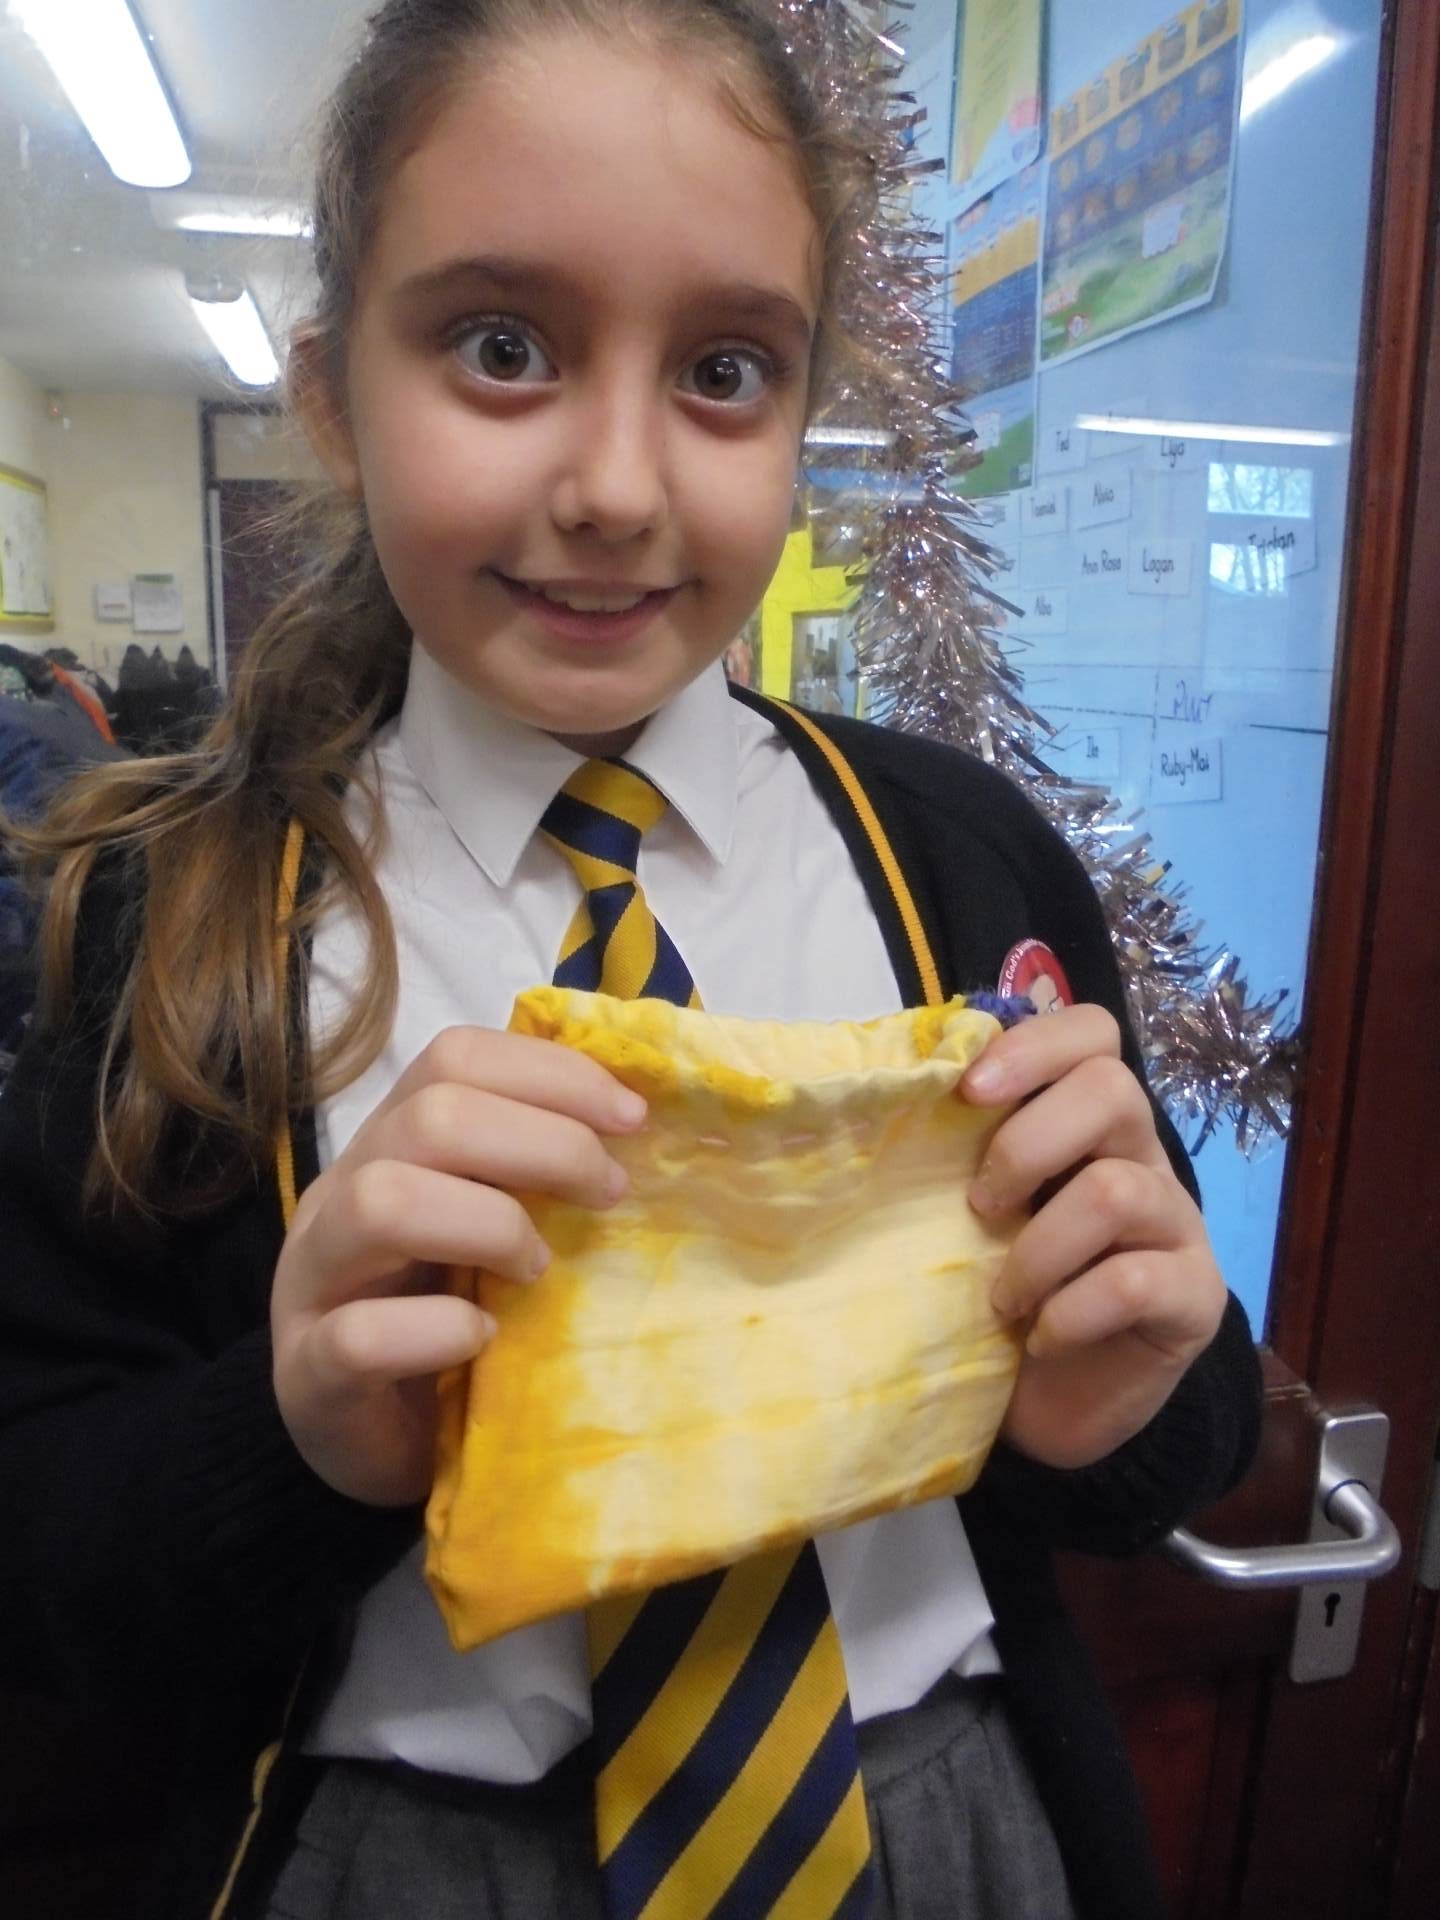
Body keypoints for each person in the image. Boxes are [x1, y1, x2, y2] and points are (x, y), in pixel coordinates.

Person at [0, 2, 1262, 1917]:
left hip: (937, 1825)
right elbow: (39, 1548)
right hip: (404, 1855)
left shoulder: (964, 860)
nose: (615, 486)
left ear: (805, 409)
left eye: (726, 372)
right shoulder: (161, 921)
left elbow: (1182, 1387)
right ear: (333, 394)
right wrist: (293, 1439)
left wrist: (1119, 1412)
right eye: (501, 348)